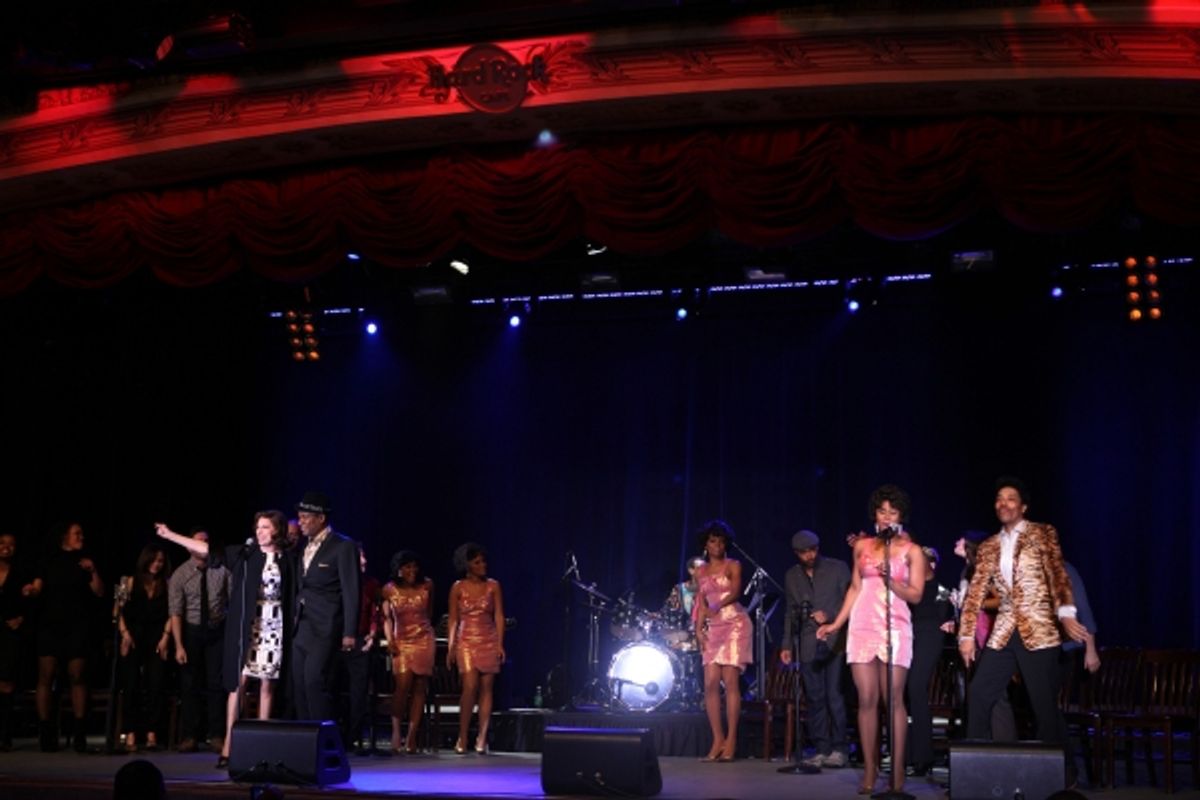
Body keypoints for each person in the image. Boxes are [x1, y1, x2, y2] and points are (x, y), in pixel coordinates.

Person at [958, 477, 1087, 789]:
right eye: (999, 499)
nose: (1003, 503)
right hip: (1004, 629)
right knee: (979, 693)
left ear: (1023, 506)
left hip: (1039, 628)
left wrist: (1066, 613)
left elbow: (1057, 574)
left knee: (1043, 706)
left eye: (1011, 498)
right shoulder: (989, 545)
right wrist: (966, 635)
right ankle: (976, 775)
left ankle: (1059, 778)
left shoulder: (1042, 533)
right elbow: (975, 593)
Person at [158, 511, 295, 768]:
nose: (259, 531)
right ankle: (229, 747)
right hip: (247, 627)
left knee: (267, 686)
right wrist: (170, 535)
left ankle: (262, 748)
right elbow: (206, 549)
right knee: (238, 684)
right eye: (258, 527)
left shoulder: (287, 559)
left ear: (277, 530)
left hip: (273, 626)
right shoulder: (246, 554)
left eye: (265, 527)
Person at [818, 485, 927, 795]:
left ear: (901, 516)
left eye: (893, 512)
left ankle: (898, 770)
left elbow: (916, 595)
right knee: (866, 698)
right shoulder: (862, 547)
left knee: (893, 699)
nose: (887, 517)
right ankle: (870, 768)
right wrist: (836, 624)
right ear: (875, 515)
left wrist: (892, 581)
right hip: (862, 625)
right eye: (882, 511)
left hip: (895, 626)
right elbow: (855, 588)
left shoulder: (913, 551)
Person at [24, 521, 105, 752]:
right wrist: (31, 590)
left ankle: (79, 732)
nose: (81, 537)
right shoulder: (48, 560)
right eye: (77, 533)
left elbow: (99, 592)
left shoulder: (85, 562)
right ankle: (46, 731)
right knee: (46, 675)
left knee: (77, 675)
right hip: (50, 625)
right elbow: (38, 586)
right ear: (65, 537)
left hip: (77, 626)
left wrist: (93, 571)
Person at [780, 528, 851, 769]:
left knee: (834, 696)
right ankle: (821, 749)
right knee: (814, 697)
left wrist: (829, 615)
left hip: (835, 641)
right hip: (808, 643)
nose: (810, 555)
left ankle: (840, 749)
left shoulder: (837, 568)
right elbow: (790, 612)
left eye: (813, 550)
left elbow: (851, 601)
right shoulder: (792, 576)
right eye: (804, 552)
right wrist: (786, 644)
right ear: (796, 553)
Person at [292, 492, 360, 724]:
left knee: (314, 681)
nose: (300, 522)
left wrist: (349, 632)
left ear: (321, 518)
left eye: (305, 517)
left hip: (326, 626)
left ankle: (323, 736)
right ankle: (304, 737)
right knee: (299, 683)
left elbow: (351, 590)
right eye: (299, 517)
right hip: (302, 625)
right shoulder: (305, 547)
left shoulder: (343, 546)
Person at [167, 528, 230, 754]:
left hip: (216, 630)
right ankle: (190, 736)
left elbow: (232, 600)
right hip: (192, 631)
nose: (203, 545)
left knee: (216, 684)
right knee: (189, 684)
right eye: (198, 541)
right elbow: (176, 612)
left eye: (206, 541)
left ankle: (216, 735)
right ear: (188, 546)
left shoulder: (221, 570)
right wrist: (179, 645)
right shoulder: (180, 574)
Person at [694, 520, 752, 762]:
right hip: (713, 629)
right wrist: (698, 628)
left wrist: (717, 605)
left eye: (721, 541)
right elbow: (701, 602)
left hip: (735, 625)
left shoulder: (733, 565)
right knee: (710, 683)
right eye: (712, 541)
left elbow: (736, 591)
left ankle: (731, 740)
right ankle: (717, 739)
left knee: (730, 682)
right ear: (706, 544)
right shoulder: (700, 571)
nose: (717, 545)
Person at [447, 542, 505, 755]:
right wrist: (451, 646)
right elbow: (453, 619)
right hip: (466, 641)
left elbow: (499, 616)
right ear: (467, 565)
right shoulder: (457, 587)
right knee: (470, 687)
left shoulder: (493, 586)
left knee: (487, 688)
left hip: (488, 639)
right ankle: (462, 735)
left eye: (483, 561)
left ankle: (482, 736)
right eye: (477, 562)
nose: (483, 565)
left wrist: (499, 643)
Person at [118, 543, 173, 752]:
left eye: (160, 561)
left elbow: (173, 613)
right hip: (133, 636)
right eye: (153, 560)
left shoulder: (167, 584)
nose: (156, 564)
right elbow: (118, 610)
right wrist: (124, 634)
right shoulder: (129, 581)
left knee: (156, 684)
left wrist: (166, 637)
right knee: (131, 684)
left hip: (157, 637)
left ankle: (152, 732)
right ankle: (130, 732)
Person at [905, 545, 953, 776]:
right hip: (909, 635)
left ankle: (922, 757)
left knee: (916, 687)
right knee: (904, 692)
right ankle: (905, 755)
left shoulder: (941, 589)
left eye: (930, 561)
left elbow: (944, 616)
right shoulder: (909, 586)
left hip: (929, 636)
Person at [381, 549, 434, 754]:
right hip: (401, 640)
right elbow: (387, 618)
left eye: (414, 566)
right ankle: (396, 731)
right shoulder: (389, 589)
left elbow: (429, 613)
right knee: (402, 686)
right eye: (407, 567)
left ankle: (411, 736)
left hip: (424, 639)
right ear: (399, 569)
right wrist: (390, 640)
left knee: (420, 687)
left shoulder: (427, 585)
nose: (412, 570)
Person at [337, 542, 380, 755]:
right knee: (335, 690)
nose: (364, 561)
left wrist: (372, 635)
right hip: (337, 642)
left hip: (361, 641)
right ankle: (335, 734)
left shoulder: (371, 584)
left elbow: (375, 613)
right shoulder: (336, 581)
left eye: (364, 557)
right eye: (359, 557)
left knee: (359, 692)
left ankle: (352, 737)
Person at [0, 532, 31, 751]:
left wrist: (22, 618)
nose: (6, 547)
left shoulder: (20, 573)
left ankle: (5, 734)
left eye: (11, 544)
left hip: (10, 632)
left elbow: (31, 603)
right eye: (2, 543)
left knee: (6, 682)